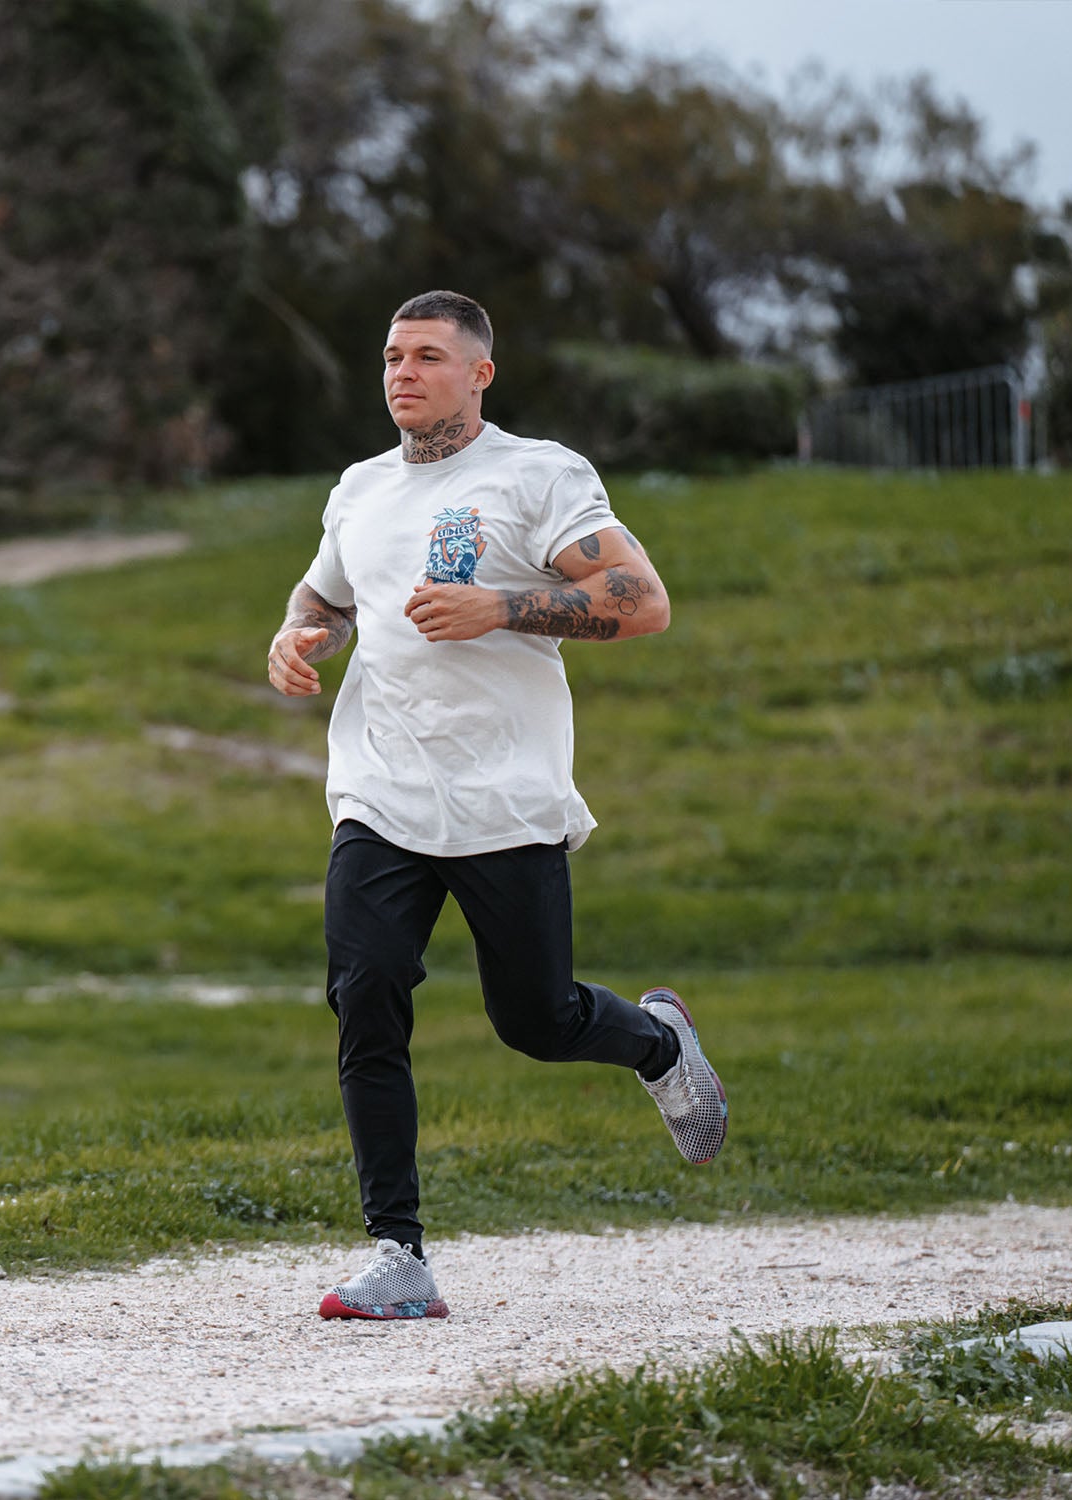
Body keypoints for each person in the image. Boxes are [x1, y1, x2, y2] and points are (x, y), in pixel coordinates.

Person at [267, 290, 728, 1322]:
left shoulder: (538, 477)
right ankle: (399, 1254)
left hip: (504, 797)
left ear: (479, 373)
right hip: (380, 793)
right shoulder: (359, 490)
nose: (402, 372)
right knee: (367, 991)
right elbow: (327, 596)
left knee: (538, 1019)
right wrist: (296, 637)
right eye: (392, 355)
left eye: (428, 356)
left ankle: (657, 1044)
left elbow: (642, 602)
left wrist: (504, 608)